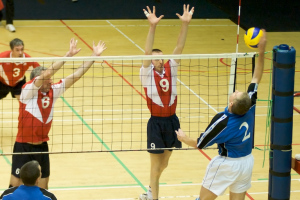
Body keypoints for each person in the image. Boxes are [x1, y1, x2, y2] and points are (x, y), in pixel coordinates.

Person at [175, 31, 267, 200]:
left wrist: (183, 138)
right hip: (246, 162)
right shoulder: (249, 106)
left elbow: (201, 143)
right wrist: (261, 51)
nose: (237, 91)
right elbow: (256, 77)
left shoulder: (223, 121)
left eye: (236, 93)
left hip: (227, 165)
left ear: (231, 104)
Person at [9, 38, 107, 189]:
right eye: (47, 79)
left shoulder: (53, 90)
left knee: (43, 187)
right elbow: (47, 72)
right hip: (23, 146)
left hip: (41, 146)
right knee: (15, 185)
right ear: (38, 81)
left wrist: (93, 56)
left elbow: (76, 75)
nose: (50, 81)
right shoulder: (27, 92)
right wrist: (68, 55)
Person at [139, 4, 194, 200]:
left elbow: (179, 47)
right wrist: (152, 27)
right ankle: (153, 197)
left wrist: (185, 24)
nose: (158, 60)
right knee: (156, 167)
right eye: (154, 59)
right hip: (156, 123)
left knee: (164, 164)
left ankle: (150, 191)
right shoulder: (146, 74)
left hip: (172, 121)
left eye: (160, 58)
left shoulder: (172, 68)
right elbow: (146, 53)